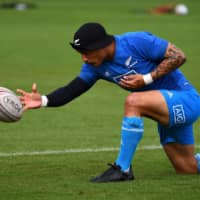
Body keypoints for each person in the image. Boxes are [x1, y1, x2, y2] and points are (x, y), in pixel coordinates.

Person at [17, 22, 200, 183]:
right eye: (81, 53)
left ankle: (122, 169)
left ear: (102, 45)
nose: (84, 58)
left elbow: (179, 56)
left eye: (86, 52)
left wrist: (146, 79)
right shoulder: (95, 67)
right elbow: (72, 90)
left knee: (133, 101)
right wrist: (42, 100)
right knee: (188, 168)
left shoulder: (136, 41)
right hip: (166, 111)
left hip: (186, 100)